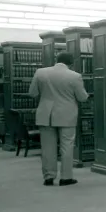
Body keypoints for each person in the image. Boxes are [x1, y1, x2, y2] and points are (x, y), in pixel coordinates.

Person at [28, 51, 88, 186]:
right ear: (71, 64)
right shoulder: (75, 76)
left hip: (45, 114)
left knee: (47, 147)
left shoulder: (40, 72)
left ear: (56, 60)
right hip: (67, 114)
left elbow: (32, 93)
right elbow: (82, 98)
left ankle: (48, 177)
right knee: (67, 146)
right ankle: (66, 178)